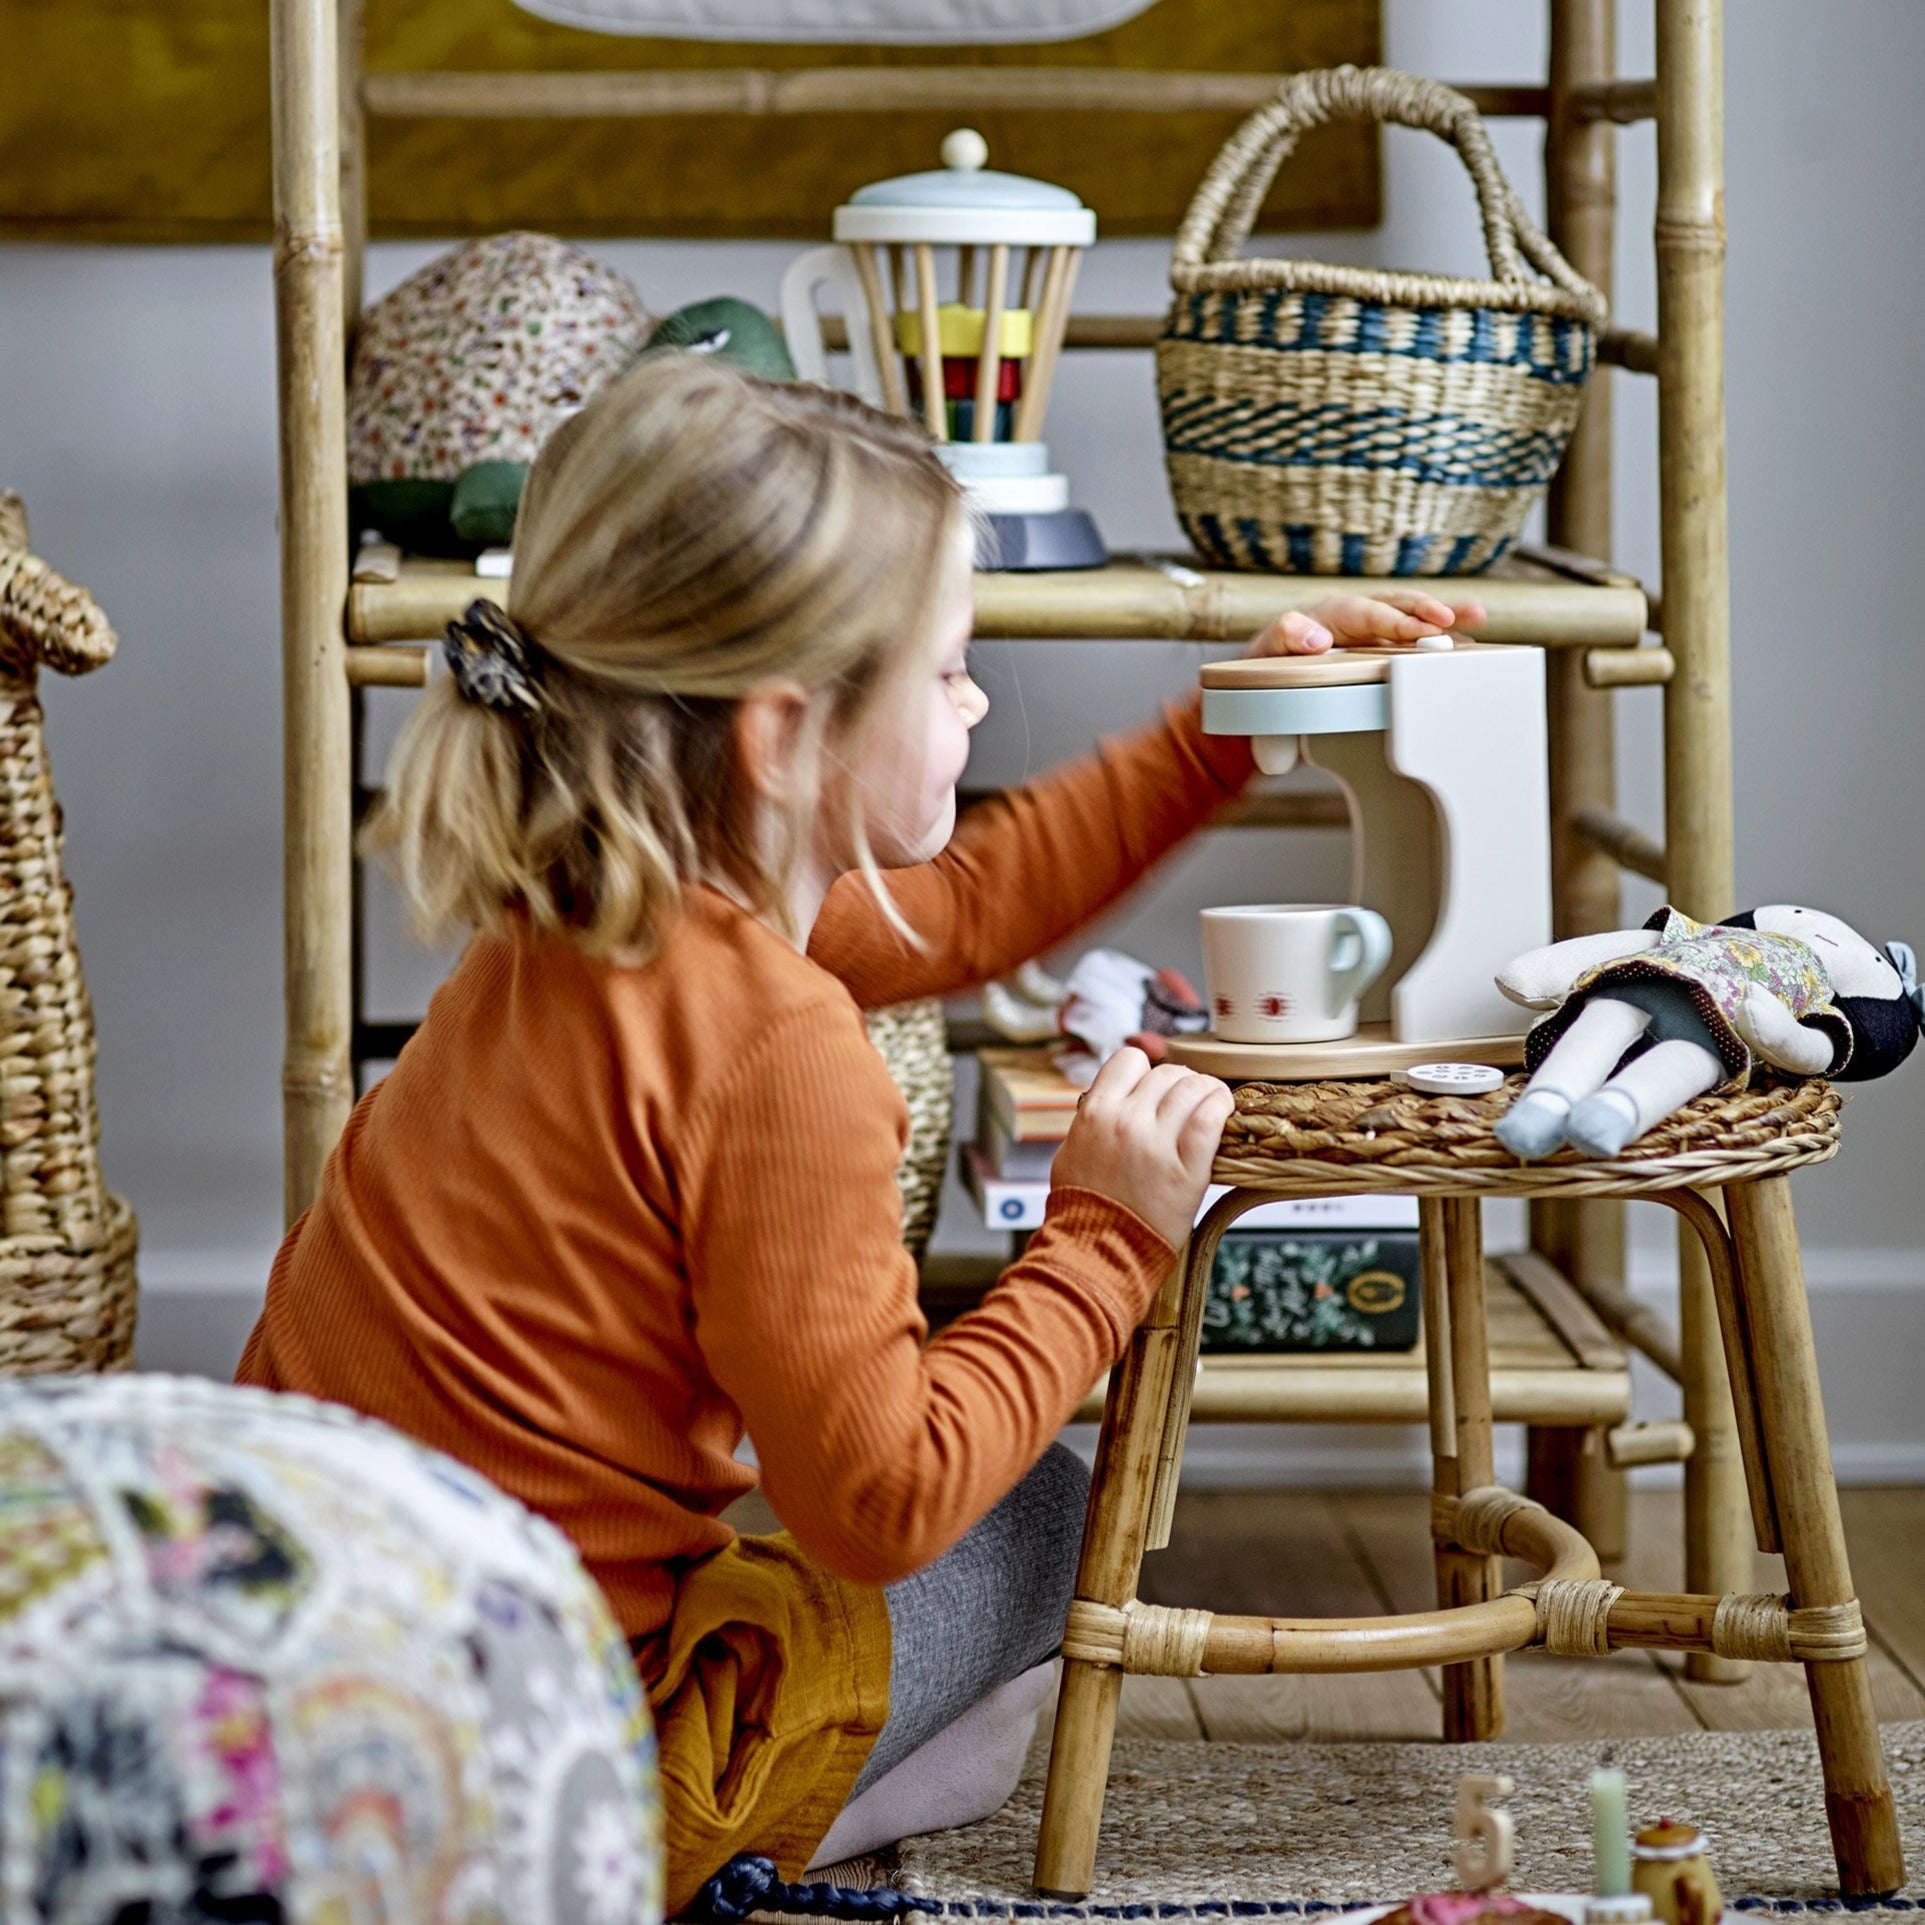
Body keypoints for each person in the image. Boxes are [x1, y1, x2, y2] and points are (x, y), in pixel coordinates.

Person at [237, 353, 1480, 1908]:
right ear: (779, 736)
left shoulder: (573, 902)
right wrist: (1105, 1234)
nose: (973, 699)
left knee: (868, 1552)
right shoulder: (778, 1043)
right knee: (1037, 1507)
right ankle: (702, 1841)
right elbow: (879, 1503)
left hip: (285, 1684)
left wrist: (1223, 731)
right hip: (527, 1762)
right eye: (951, 668)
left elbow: (962, 907)